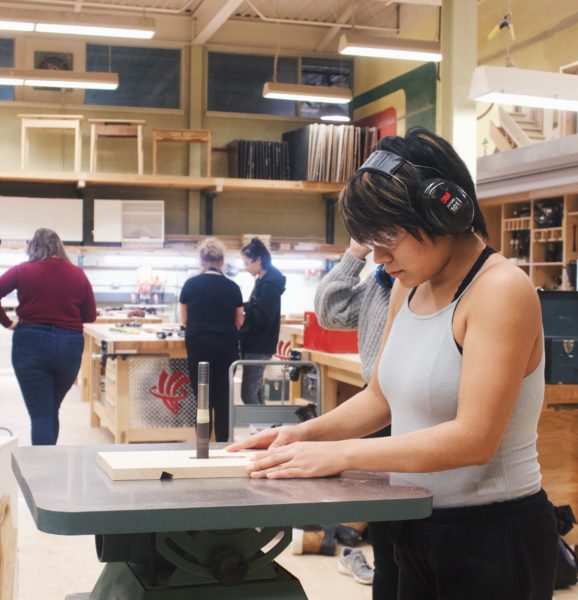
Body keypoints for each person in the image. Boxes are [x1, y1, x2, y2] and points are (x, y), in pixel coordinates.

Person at [229, 128, 558, 599]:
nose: (380, 259)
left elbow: (475, 438)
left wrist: (340, 455)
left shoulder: (500, 290)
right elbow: (380, 397)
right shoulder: (409, 284)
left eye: (389, 238)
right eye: (370, 241)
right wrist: (302, 435)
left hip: (489, 535)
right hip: (409, 519)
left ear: (445, 209)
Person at [314, 239, 396, 598]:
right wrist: (354, 253)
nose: (383, 255)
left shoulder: (424, 284)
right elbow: (330, 312)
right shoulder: (380, 281)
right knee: (385, 524)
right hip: (376, 400)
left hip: (411, 408)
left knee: (408, 522)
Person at [0, 228, 96, 445]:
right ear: (59, 247)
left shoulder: (22, 270)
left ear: (33, 247)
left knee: (42, 413)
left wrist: (7, 323)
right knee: (51, 408)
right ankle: (49, 466)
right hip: (68, 345)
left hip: (30, 343)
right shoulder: (77, 274)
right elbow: (89, 315)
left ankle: (42, 473)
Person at [179, 238, 244, 442]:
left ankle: (202, 445)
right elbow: (239, 321)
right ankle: (224, 443)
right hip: (226, 347)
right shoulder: (233, 287)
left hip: (199, 346)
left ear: (201, 261)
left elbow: (184, 320)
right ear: (222, 262)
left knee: (202, 397)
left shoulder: (190, 285)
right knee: (223, 398)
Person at [239, 237, 286, 405]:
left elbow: (264, 316)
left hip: (259, 344)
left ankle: (261, 431)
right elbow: (257, 308)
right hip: (256, 344)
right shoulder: (262, 281)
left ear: (258, 260)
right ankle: (265, 429)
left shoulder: (270, 285)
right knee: (256, 391)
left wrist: (244, 308)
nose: (246, 268)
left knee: (248, 393)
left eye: (247, 263)